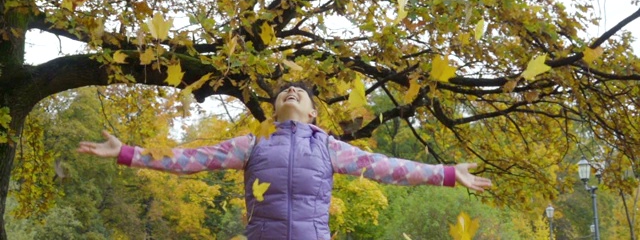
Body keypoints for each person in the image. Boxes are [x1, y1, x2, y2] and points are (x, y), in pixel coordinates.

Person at [78, 81, 491, 240]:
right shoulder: (251, 145)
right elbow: (189, 159)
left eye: (300, 92)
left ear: (313, 112)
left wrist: (449, 174)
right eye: (283, 92)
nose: (290, 93)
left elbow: (390, 168)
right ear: (274, 108)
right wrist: (128, 153)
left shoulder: (329, 147)